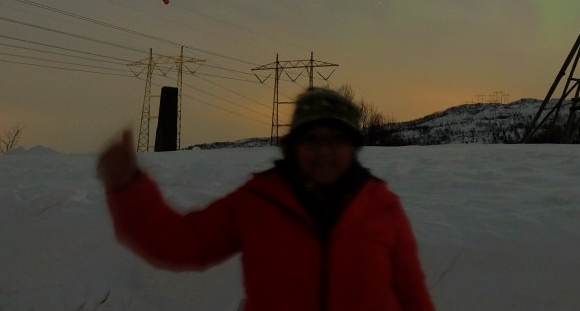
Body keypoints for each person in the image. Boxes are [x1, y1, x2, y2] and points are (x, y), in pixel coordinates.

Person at [98, 87, 435, 311]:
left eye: (337, 139)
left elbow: (413, 296)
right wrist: (128, 187)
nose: (324, 151)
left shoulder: (382, 207)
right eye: (312, 139)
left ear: (353, 146)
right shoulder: (257, 201)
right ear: (293, 146)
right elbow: (183, 243)